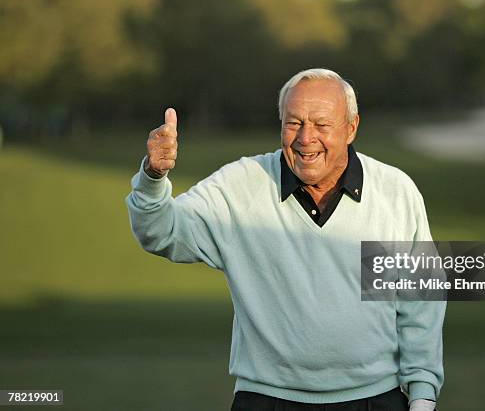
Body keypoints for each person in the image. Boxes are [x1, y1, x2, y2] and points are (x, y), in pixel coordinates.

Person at [126, 68, 445, 411]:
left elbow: (420, 299)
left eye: (322, 125)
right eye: (294, 123)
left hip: (375, 400)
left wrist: (423, 395)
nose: (305, 138)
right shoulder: (239, 186)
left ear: (351, 128)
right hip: (266, 400)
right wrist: (153, 179)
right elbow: (161, 233)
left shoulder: (395, 192)